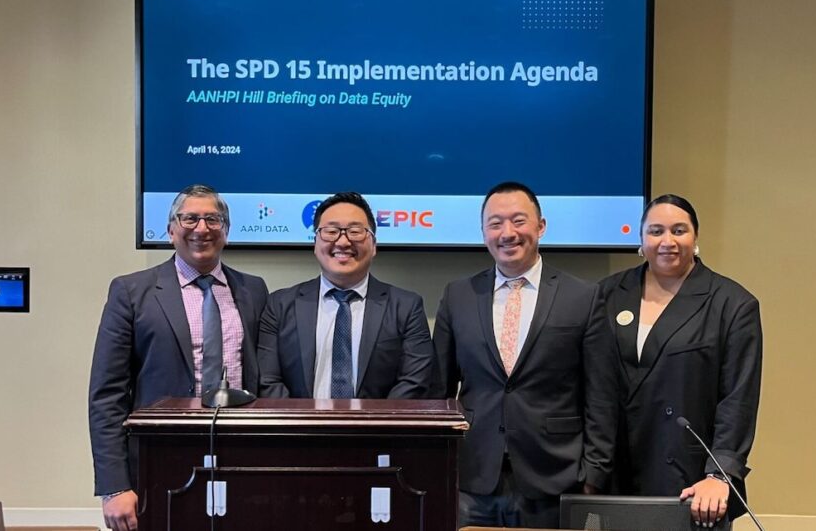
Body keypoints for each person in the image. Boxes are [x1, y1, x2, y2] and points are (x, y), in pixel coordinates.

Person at [432, 181, 618, 528]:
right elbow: (437, 391)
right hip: (473, 476)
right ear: (483, 231)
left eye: (519, 221)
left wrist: (594, 473)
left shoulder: (583, 296)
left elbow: (602, 395)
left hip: (555, 475)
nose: (507, 233)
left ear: (541, 226)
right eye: (495, 223)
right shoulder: (458, 296)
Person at [88, 184, 269, 531]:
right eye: (189, 219)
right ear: (171, 230)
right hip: (161, 458)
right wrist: (114, 486)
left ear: (226, 232)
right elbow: (106, 395)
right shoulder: (131, 292)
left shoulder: (253, 290)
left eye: (213, 220)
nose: (201, 229)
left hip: (242, 455)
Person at [598, 194, 762, 527]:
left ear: (696, 237)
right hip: (613, 473)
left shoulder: (732, 304)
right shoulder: (607, 294)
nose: (667, 241)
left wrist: (720, 474)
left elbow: (738, 400)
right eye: (656, 231)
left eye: (679, 230)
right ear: (641, 240)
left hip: (691, 482)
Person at [257, 192, 434, 399]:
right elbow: (268, 381)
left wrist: (367, 428)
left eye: (355, 231)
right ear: (315, 243)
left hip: (381, 429)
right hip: (300, 429)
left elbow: (414, 382)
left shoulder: (406, 306)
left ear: (374, 245)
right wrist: (305, 426)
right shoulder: (279, 305)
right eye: (331, 231)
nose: (343, 242)